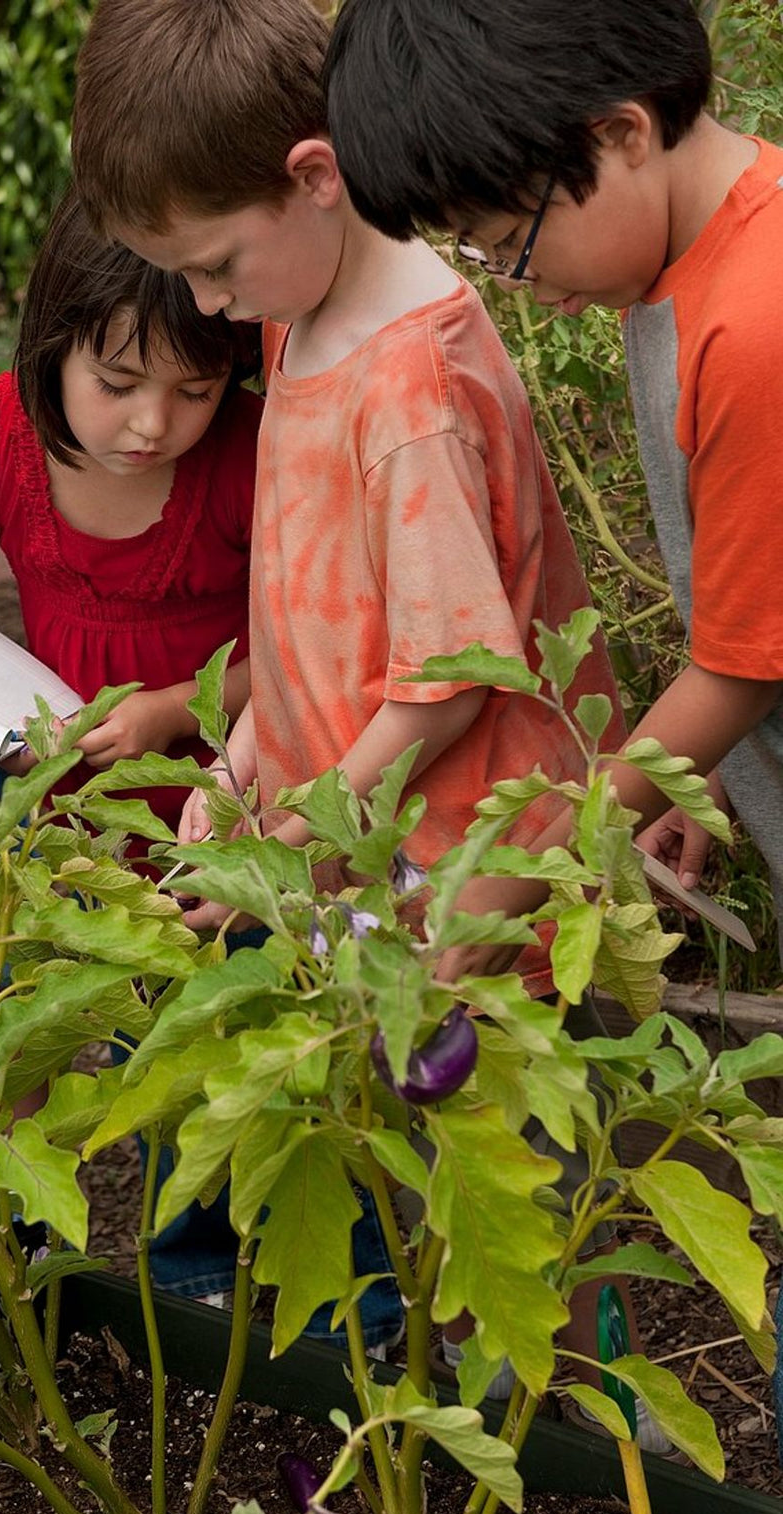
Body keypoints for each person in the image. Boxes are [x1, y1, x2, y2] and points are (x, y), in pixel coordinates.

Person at [68, 0, 644, 1379]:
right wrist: (244, 760)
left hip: (474, 870)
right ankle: (470, 1407)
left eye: (211, 265)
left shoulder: (411, 387)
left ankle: (576, 1415)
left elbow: (447, 679)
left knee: (510, 1174)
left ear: (317, 177)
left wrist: (303, 822)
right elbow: (313, 610)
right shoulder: (303, 311)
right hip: (381, 854)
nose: (205, 304)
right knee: (430, 1163)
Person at [323, 0, 783, 965]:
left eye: (506, 239)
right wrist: (708, 776)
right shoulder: (678, 265)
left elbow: (738, 674)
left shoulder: (756, 324)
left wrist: (527, 873)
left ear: (619, 133)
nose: (510, 279)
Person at [0, 185, 261, 847]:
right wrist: (6, 737)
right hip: (65, 814)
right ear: (53, 345)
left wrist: (174, 713)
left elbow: (304, 655)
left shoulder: (249, 455)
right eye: (117, 384)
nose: (152, 424)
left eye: (196, 391)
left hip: (228, 804)